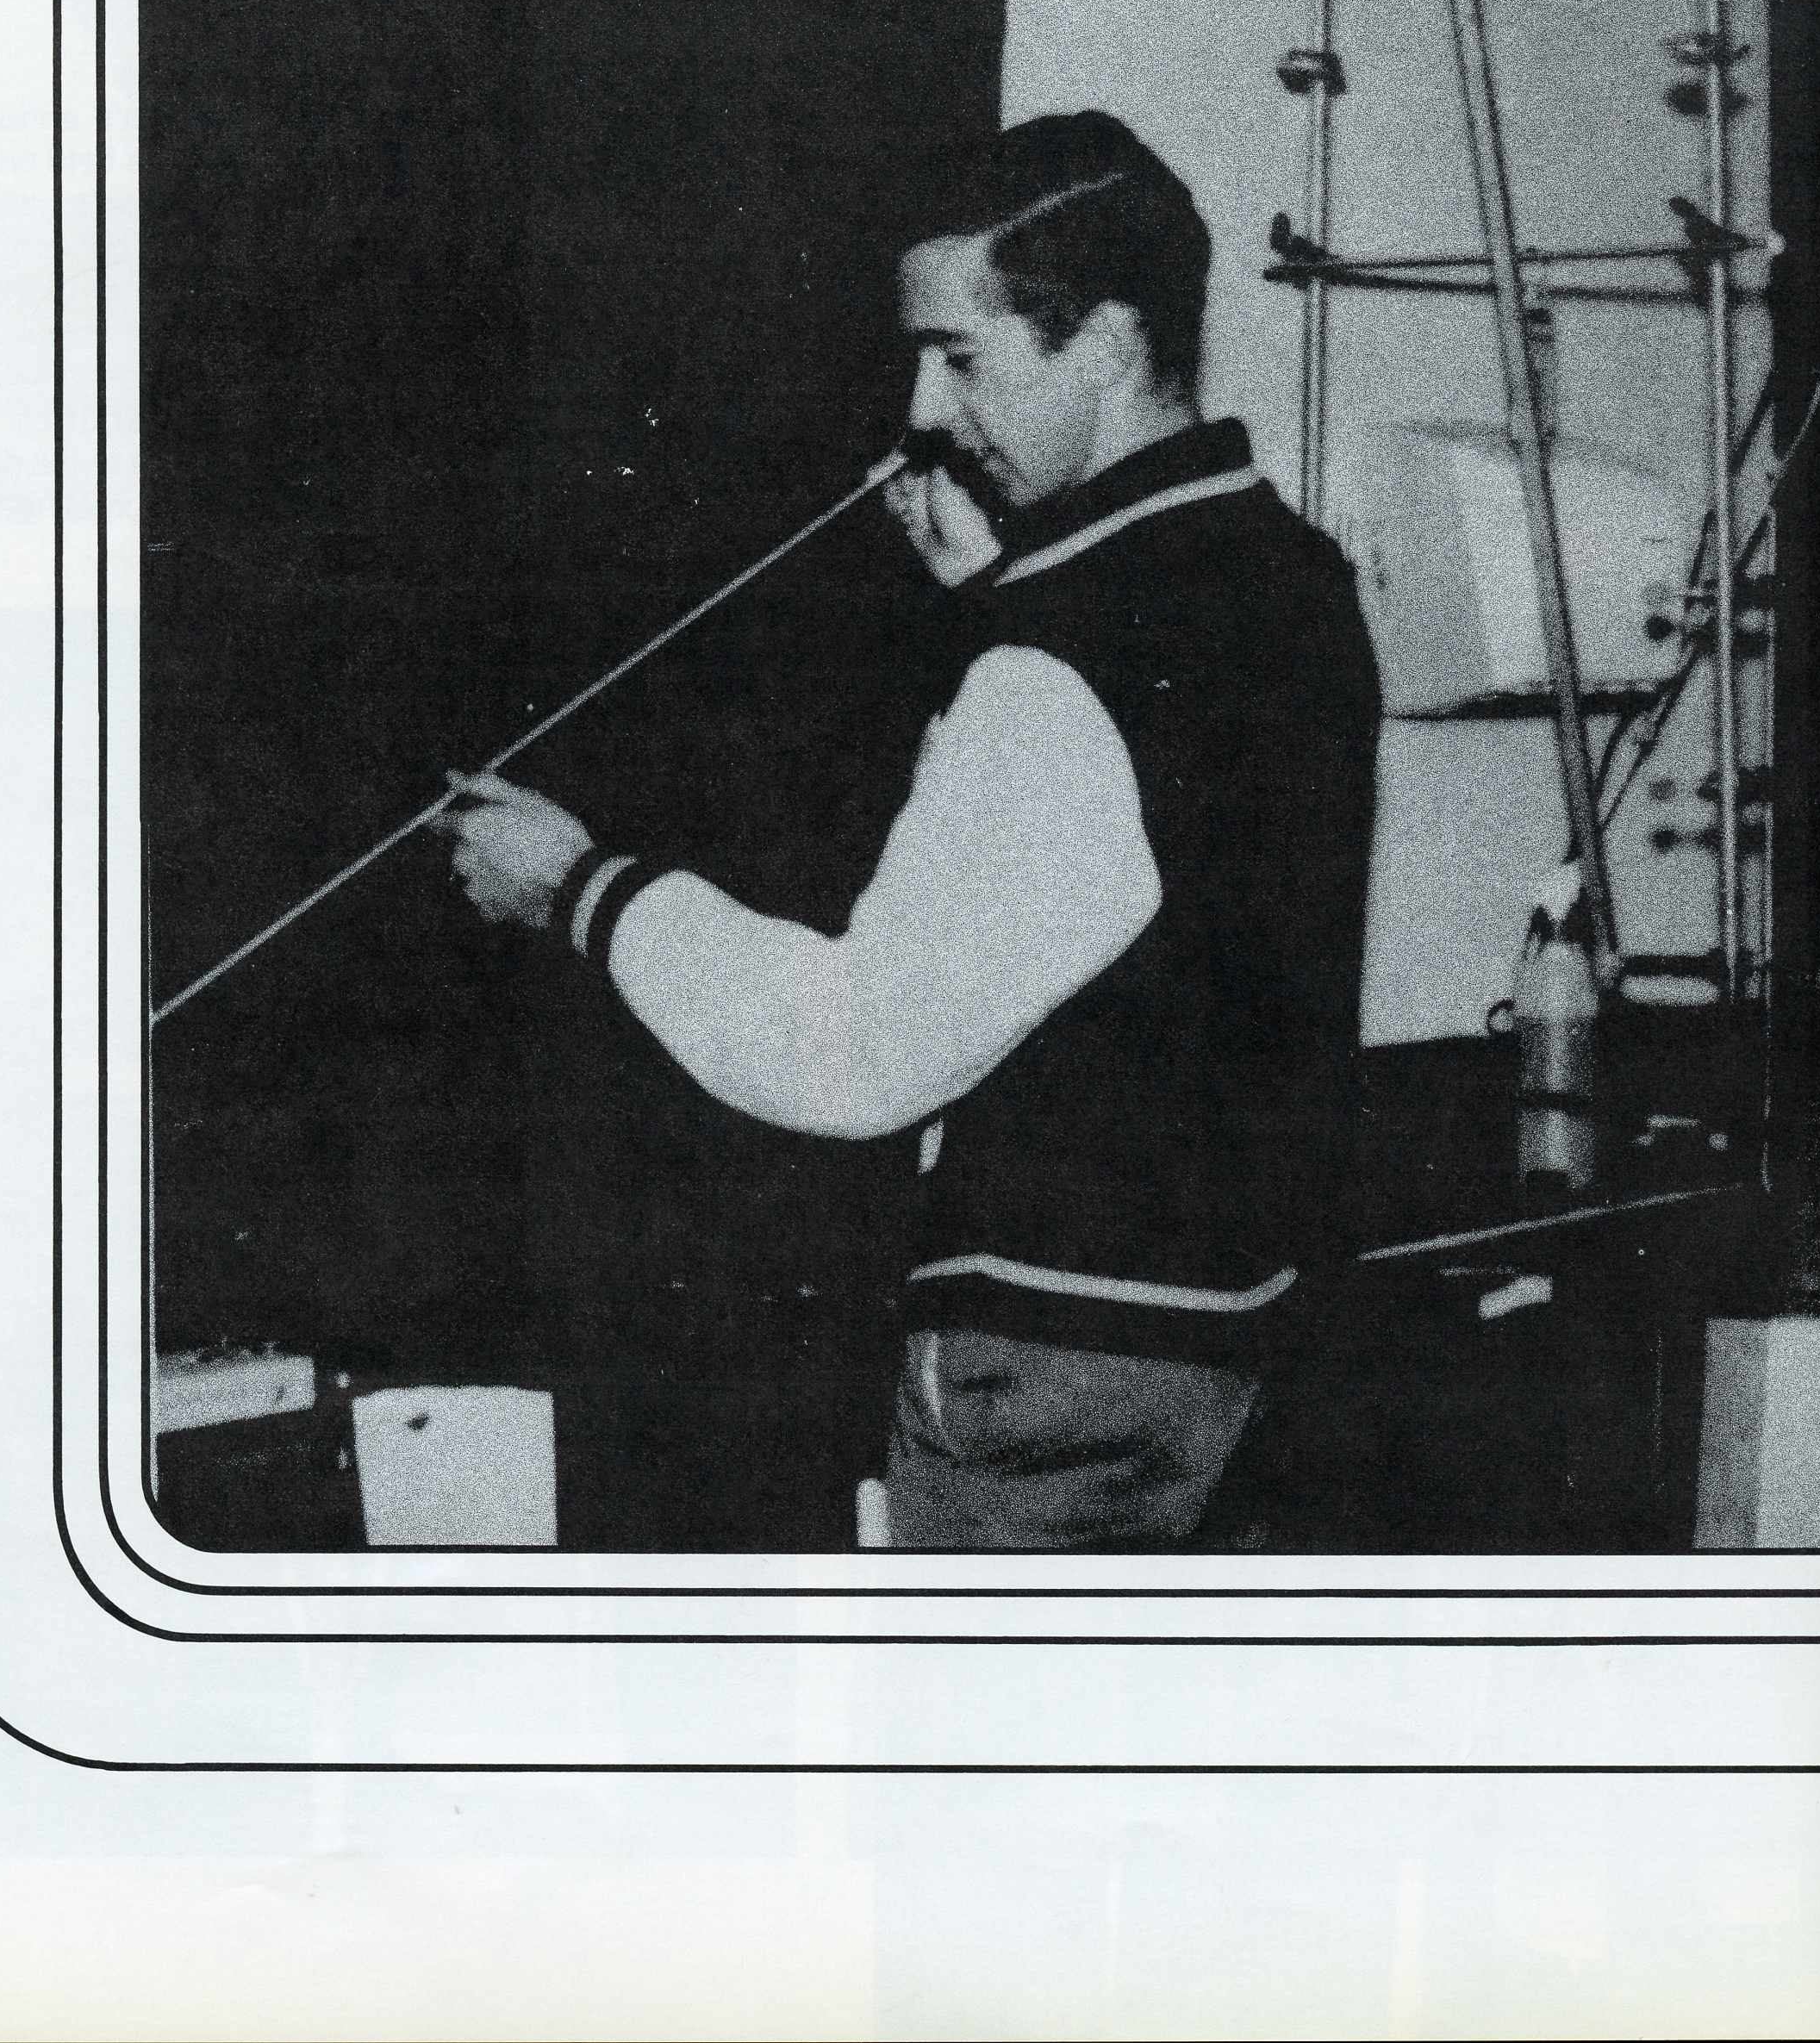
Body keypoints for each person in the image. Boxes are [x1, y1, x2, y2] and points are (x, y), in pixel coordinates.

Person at [437, 110, 1381, 1549]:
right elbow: (1157, 890)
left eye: (962, 356)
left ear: (1107, 343)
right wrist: (998, 605)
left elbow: (852, 1050)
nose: (927, 411)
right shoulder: (1290, 575)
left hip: (1056, 1388)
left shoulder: (1066, 659)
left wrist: (580, 888)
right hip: (1233, 1362)